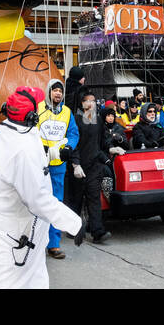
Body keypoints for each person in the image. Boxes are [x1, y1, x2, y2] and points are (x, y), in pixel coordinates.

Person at [0, 87, 85, 288]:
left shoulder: (6, 129)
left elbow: (22, 162)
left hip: (21, 229)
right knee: (5, 284)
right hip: (14, 232)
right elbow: (37, 199)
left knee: (35, 282)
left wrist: (50, 154)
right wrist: (73, 223)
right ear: (31, 116)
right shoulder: (23, 150)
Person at [36, 78, 78, 259]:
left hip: (58, 165)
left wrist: (69, 147)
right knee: (37, 203)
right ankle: (36, 243)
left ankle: (54, 244)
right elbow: (29, 131)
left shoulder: (67, 112)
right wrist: (40, 148)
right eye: (55, 90)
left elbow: (73, 133)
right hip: (39, 164)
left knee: (56, 203)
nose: (58, 93)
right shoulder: (38, 109)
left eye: (60, 91)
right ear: (49, 92)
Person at [63, 90, 110, 244]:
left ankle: (98, 231)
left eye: (93, 101)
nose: (91, 104)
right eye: (88, 101)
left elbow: (102, 141)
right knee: (76, 199)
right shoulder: (75, 119)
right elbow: (73, 143)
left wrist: (111, 148)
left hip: (94, 166)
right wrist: (75, 163)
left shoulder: (98, 120)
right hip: (78, 165)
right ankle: (74, 228)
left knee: (94, 198)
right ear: (82, 103)